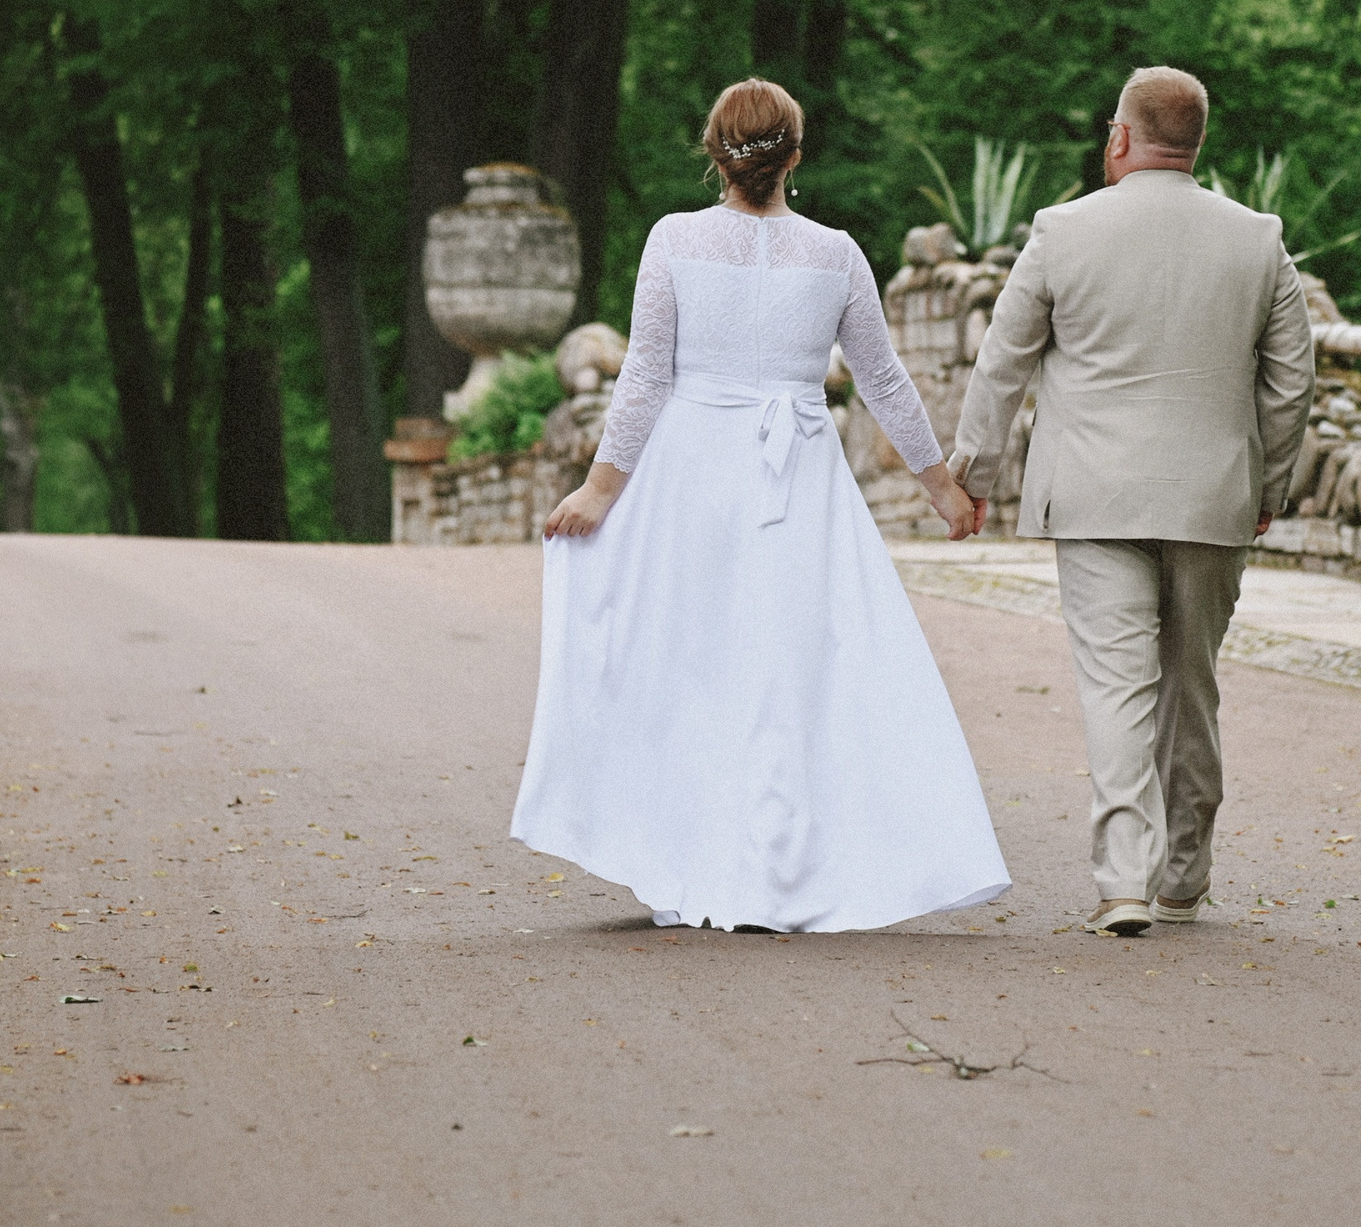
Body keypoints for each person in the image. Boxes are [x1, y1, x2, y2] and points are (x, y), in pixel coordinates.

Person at [510, 78, 1010, 933]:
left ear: (714, 153)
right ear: (795, 157)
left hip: (692, 476)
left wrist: (600, 488)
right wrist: (940, 487)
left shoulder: (674, 239)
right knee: (794, 666)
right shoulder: (837, 254)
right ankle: (781, 865)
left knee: (696, 663)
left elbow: (645, 376)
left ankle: (702, 861)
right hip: (801, 479)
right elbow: (884, 378)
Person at [949, 66, 1313, 937]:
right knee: (1193, 685)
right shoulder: (1258, 239)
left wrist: (972, 475)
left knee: (1117, 688)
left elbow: (1002, 361)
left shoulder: (1061, 230)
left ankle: (1122, 883)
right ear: (1196, 143)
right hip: (1213, 498)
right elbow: (1292, 382)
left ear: (1119, 136)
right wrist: (1267, 484)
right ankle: (1183, 875)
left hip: (1094, 497)